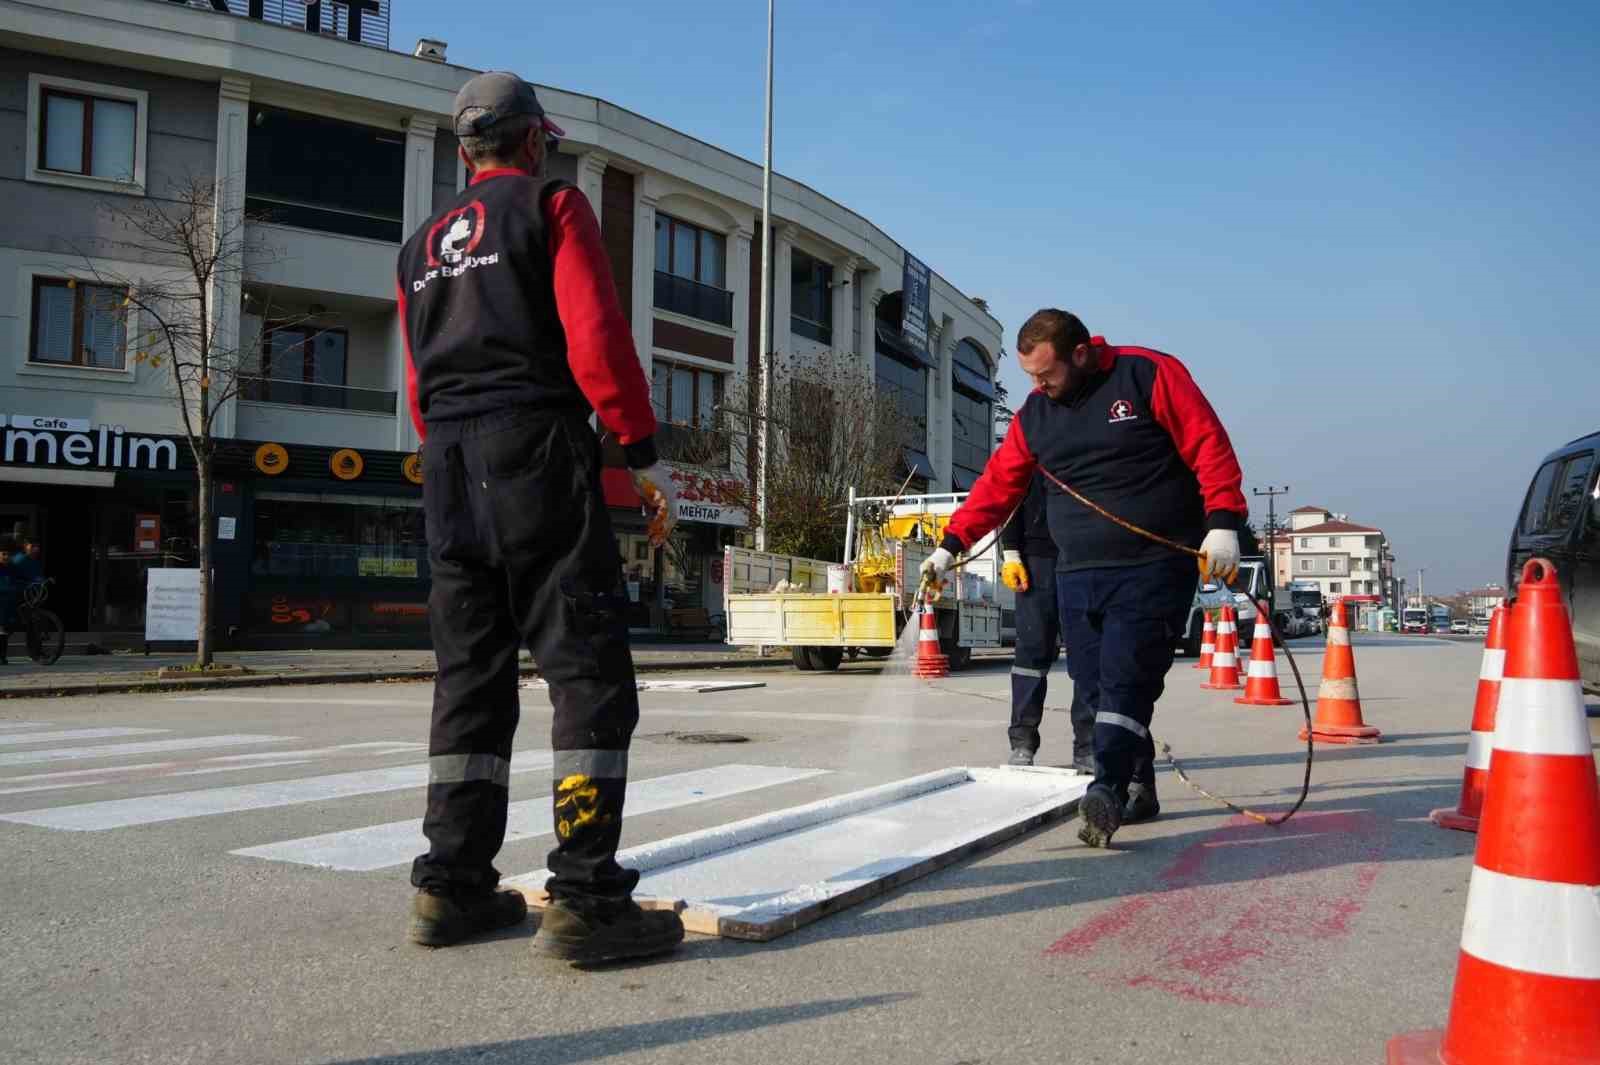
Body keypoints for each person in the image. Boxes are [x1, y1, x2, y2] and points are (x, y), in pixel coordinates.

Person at [397, 71, 684, 963]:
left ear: (462, 151)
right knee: (587, 669)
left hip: (446, 459)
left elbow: (416, 380)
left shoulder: (419, 247)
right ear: (530, 142)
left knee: (470, 678)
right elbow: (596, 337)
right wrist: (640, 451)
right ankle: (585, 896)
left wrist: (453, 449)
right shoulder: (553, 207)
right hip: (536, 449)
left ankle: (451, 886)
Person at [923, 310, 1246, 848]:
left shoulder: (1146, 375)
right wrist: (948, 546)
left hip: (1153, 564)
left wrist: (1223, 524)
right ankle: (1139, 781)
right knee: (1094, 689)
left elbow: (1207, 445)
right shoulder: (1035, 416)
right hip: (1077, 571)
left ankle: (1107, 791)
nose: (1037, 386)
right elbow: (998, 485)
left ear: (1080, 354)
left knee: (1126, 678)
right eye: (1029, 376)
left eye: (1045, 374)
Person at [999, 475, 1095, 773]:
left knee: (1087, 654)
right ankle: (1022, 743)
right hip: (1035, 557)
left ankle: (1088, 747)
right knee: (1031, 651)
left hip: (1083, 555)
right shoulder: (1034, 439)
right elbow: (1010, 494)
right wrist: (1011, 550)